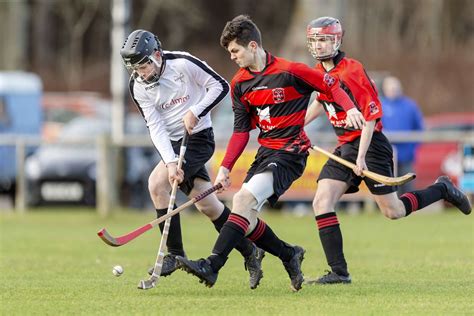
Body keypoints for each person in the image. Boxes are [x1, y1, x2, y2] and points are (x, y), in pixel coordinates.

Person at [175, 15, 364, 292]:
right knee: (247, 219)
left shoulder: (290, 71)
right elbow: (241, 131)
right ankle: (289, 254)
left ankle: (212, 265)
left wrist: (351, 109)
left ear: (253, 46)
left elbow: (330, 85)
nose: (233, 57)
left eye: (235, 51)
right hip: (266, 153)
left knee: (242, 200)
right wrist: (226, 167)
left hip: (292, 153)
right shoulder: (239, 84)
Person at [303, 17, 472, 285]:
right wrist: (298, 126)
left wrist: (361, 158)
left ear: (336, 41)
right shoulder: (319, 73)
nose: (319, 45)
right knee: (321, 202)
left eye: (324, 39)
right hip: (345, 145)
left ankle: (441, 189)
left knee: (393, 211)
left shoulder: (351, 71)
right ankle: (339, 272)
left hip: (370, 145)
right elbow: (321, 101)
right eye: (315, 40)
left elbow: (370, 116)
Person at [120, 29, 265, 289]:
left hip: (198, 138)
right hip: (174, 145)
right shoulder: (138, 86)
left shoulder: (183, 63)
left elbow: (219, 86)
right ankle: (250, 250)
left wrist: (196, 111)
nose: (141, 73)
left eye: (144, 66)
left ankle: (174, 254)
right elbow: (155, 127)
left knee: (156, 184)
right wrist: (170, 161)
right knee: (208, 206)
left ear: (156, 55)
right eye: (136, 69)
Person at [381, 76, 424, 195]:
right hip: (387, 155)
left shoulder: (410, 106)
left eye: (395, 88)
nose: (393, 91)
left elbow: (419, 128)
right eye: (390, 89)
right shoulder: (380, 105)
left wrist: (413, 147)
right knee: (392, 189)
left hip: (407, 155)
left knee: (408, 187)